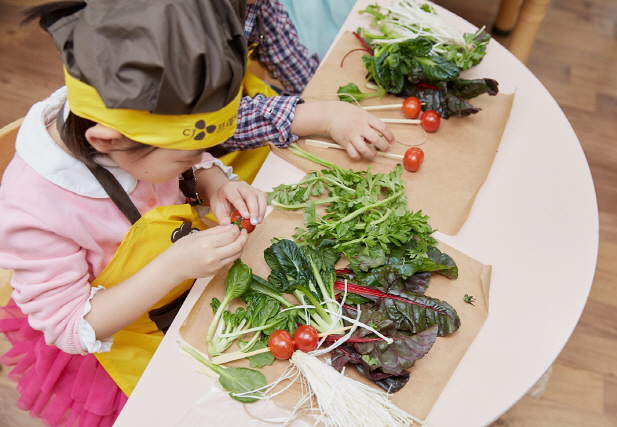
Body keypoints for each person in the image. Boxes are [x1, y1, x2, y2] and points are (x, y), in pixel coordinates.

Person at [0, 1, 267, 425]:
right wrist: (175, 265)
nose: (199, 159)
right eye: (186, 157)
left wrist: (216, 185)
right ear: (105, 142)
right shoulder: (34, 207)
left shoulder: (136, 138)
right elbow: (72, 326)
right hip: (119, 345)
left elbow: (188, 168)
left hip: (188, 302)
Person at [214, 0, 397, 185]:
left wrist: (329, 101)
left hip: (243, 101)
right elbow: (212, 123)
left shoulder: (257, 4)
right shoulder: (192, 25)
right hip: (207, 159)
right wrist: (326, 116)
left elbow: (288, 56)